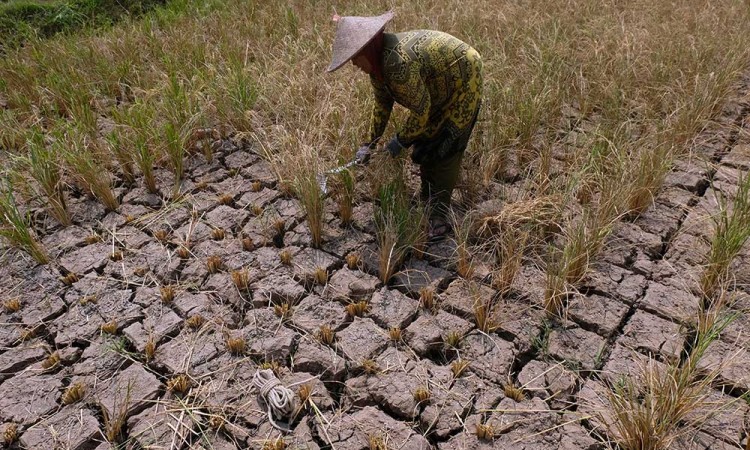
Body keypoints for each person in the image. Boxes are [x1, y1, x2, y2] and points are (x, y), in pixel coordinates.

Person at [327, 11, 483, 239]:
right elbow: (382, 105)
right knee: (426, 141)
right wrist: (369, 143)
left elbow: (420, 110)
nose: (353, 63)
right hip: (438, 85)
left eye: (354, 56)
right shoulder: (378, 68)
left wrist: (400, 141)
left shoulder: (397, 63)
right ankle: (428, 197)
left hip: (464, 79)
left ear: (367, 49)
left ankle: (439, 217)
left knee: (445, 145)